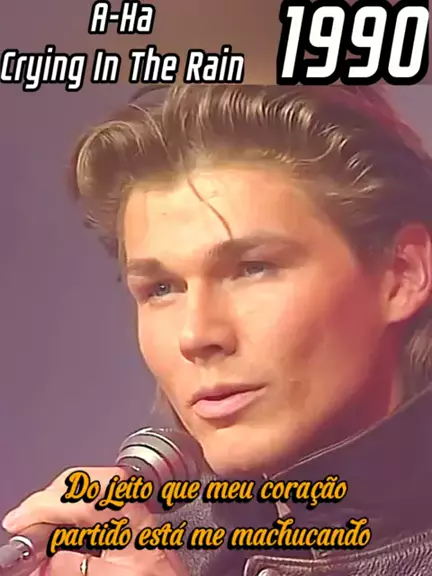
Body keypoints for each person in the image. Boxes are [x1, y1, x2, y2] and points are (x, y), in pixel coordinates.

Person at [2, 85, 432, 576]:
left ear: (402, 274)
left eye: (253, 268)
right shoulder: (148, 549)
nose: (195, 335)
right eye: (162, 288)